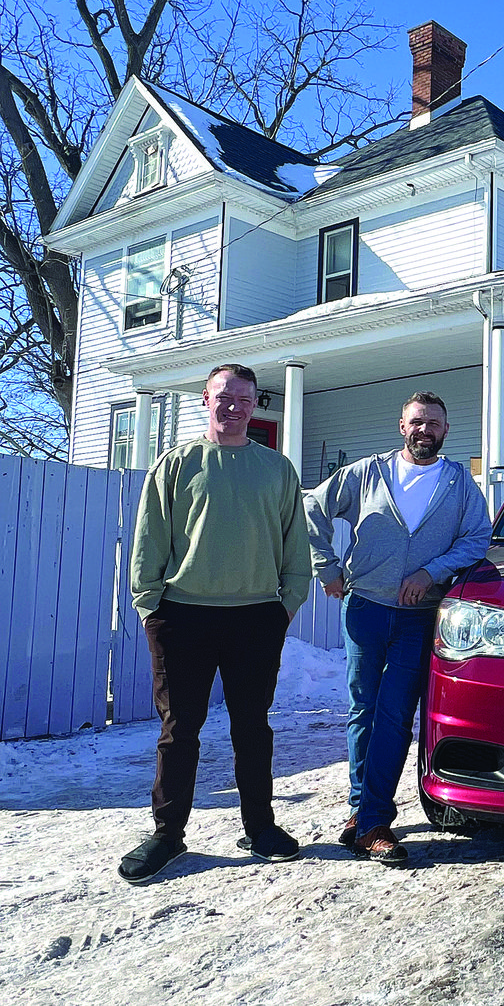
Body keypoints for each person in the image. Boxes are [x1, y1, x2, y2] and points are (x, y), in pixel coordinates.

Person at [119, 363, 311, 884]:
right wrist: (151, 608)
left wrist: (286, 604)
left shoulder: (277, 470)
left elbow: (296, 546)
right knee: (179, 729)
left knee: (252, 727)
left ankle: (260, 826)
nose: (234, 406)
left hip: (255, 617)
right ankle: (167, 834)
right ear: (206, 398)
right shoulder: (177, 465)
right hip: (183, 616)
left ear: (255, 404)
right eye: (225, 396)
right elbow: (149, 541)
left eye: (245, 398)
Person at [304, 391, 491, 865]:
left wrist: (431, 572)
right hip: (364, 608)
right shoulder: (368, 473)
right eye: (416, 422)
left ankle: (373, 820)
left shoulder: (459, 485)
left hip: (417, 616)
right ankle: (362, 811)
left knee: (394, 714)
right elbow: (312, 509)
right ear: (402, 426)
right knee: (362, 710)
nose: (424, 430)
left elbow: (477, 538)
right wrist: (327, 567)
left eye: (434, 423)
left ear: (445, 431)